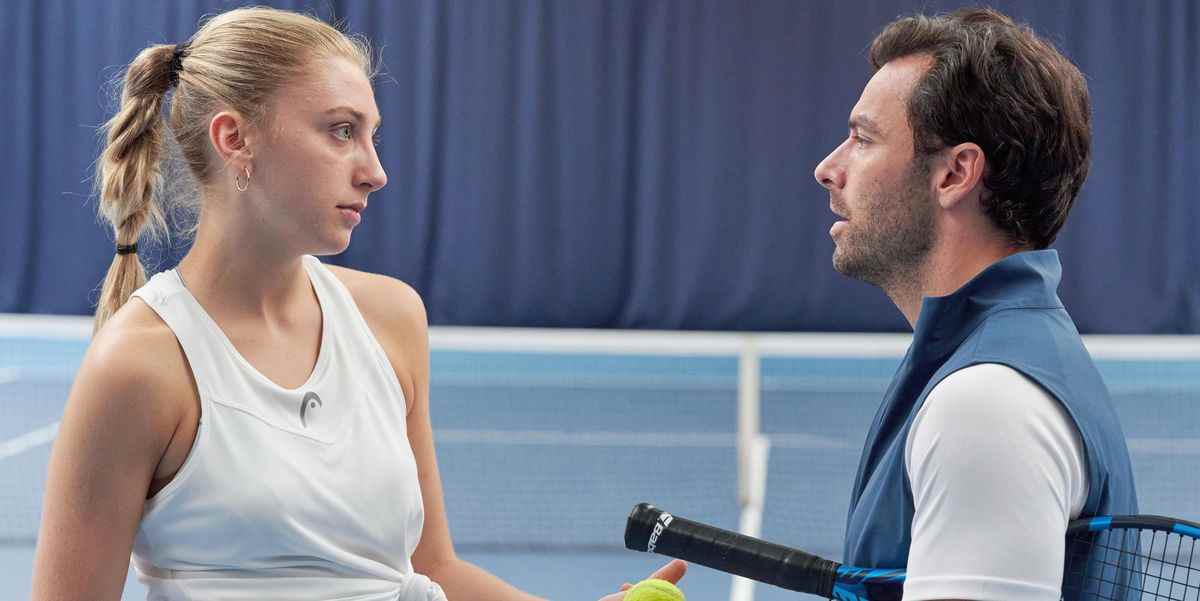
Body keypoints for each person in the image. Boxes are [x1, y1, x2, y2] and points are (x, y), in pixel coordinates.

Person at [30, 7, 684, 600]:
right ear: (235, 140)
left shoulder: (392, 319)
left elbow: (433, 570)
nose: (375, 169)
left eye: (370, 134)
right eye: (342, 131)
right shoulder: (138, 366)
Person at [812, 8, 1137, 601]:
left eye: (863, 139)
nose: (827, 169)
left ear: (955, 173)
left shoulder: (986, 403)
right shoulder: (986, 364)